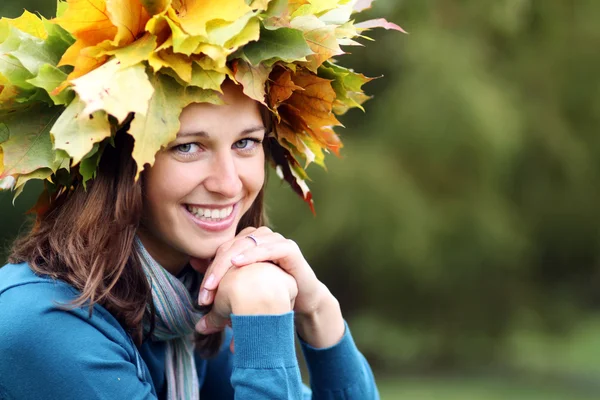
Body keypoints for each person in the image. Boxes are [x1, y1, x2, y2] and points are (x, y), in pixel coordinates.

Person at [0, 1, 403, 399]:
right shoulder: (46, 325)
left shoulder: (184, 309)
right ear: (118, 165)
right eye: (189, 147)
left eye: (246, 143)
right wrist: (262, 312)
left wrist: (318, 312)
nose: (228, 184)